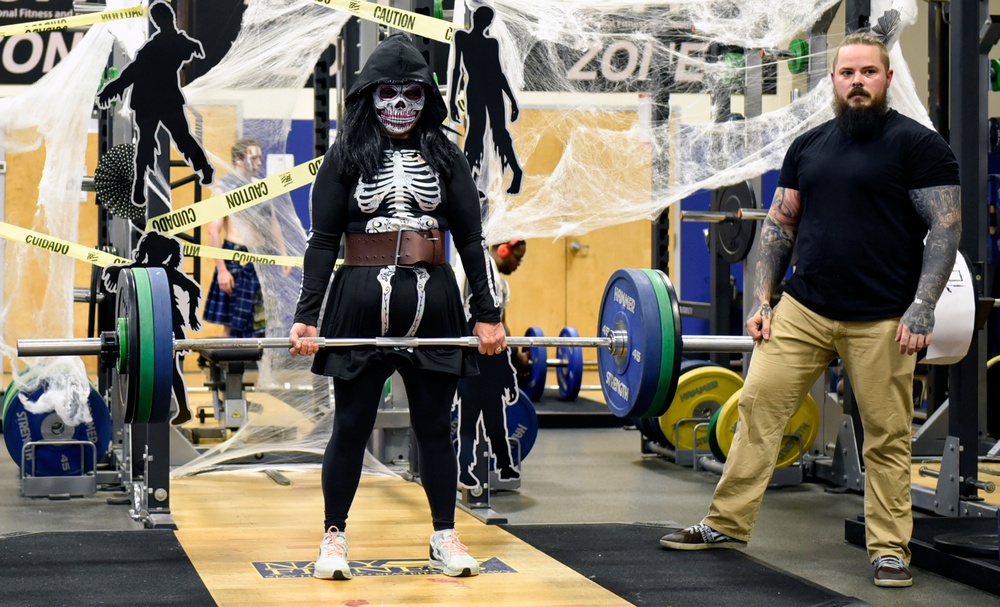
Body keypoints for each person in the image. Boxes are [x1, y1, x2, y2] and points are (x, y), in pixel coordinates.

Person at [659, 31, 961, 590]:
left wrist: (923, 305)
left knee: (887, 436)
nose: (857, 83)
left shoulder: (918, 146)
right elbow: (780, 223)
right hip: (804, 307)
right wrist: (763, 300)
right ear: (833, 80)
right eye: (847, 74)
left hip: (882, 318)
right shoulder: (810, 146)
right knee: (756, 406)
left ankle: (890, 551)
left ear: (887, 78)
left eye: (868, 73)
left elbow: (945, 227)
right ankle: (725, 523)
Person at [288, 34, 506, 581]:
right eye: (389, 94)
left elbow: (471, 239)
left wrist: (488, 313)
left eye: (412, 94)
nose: (401, 107)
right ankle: (333, 537)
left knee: (434, 426)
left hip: (434, 302)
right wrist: (307, 315)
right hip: (359, 300)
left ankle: (442, 533)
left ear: (427, 98)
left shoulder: (446, 155)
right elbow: (322, 240)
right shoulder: (344, 157)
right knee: (352, 425)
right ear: (370, 95)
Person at [96, 0, 214, 208]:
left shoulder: (159, 46)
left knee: (163, 141)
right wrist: (112, 89)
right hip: (156, 102)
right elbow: (133, 72)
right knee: (152, 142)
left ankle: (200, 168)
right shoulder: (169, 43)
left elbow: (132, 73)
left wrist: (111, 89)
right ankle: (142, 184)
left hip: (155, 102)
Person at [453, 239, 531, 488]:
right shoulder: (476, 270)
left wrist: (515, 361)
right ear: (504, 249)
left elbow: (500, 326)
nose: (518, 264)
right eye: (517, 257)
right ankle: (464, 470)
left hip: (490, 378)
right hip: (471, 376)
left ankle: (505, 467)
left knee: (496, 426)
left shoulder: (501, 283)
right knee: (468, 429)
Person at [202, 138, 288, 338]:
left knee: (261, 324)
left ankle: (260, 369)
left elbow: (272, 222)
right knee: (233, 326)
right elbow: (213, 231)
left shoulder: (260, 186)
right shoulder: (224, 188)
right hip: (237, 259)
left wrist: (283, 252)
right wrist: (222, 270)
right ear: (239, 160)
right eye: (254, 158)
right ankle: (226, 368)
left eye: (260, 158)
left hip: (261, 257)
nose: (259, 162)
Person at [448, 5, 523, 196]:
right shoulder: (462, 38)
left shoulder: (491, 43)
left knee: (499, 132)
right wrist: (452, 101)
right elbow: (457, 70)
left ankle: (516, 171)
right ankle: (469, 181)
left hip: (490, 91)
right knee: (475, 134)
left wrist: (512, 101)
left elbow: (499, 74)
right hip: (476, 91)